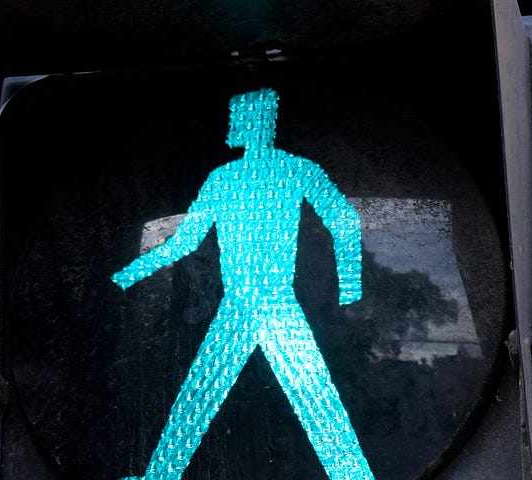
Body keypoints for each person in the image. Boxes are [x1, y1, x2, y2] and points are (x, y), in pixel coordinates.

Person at [113, 88, 374, 480]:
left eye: (237, 119)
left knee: (212, 398)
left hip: (262, 305)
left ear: (256, 122)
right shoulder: (289, 171)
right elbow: (345, 221)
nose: (229, 129)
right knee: (212, 398)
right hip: (255, 306)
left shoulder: (235, 176)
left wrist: (351, 288)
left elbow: (184, 243)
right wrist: (128, 274)